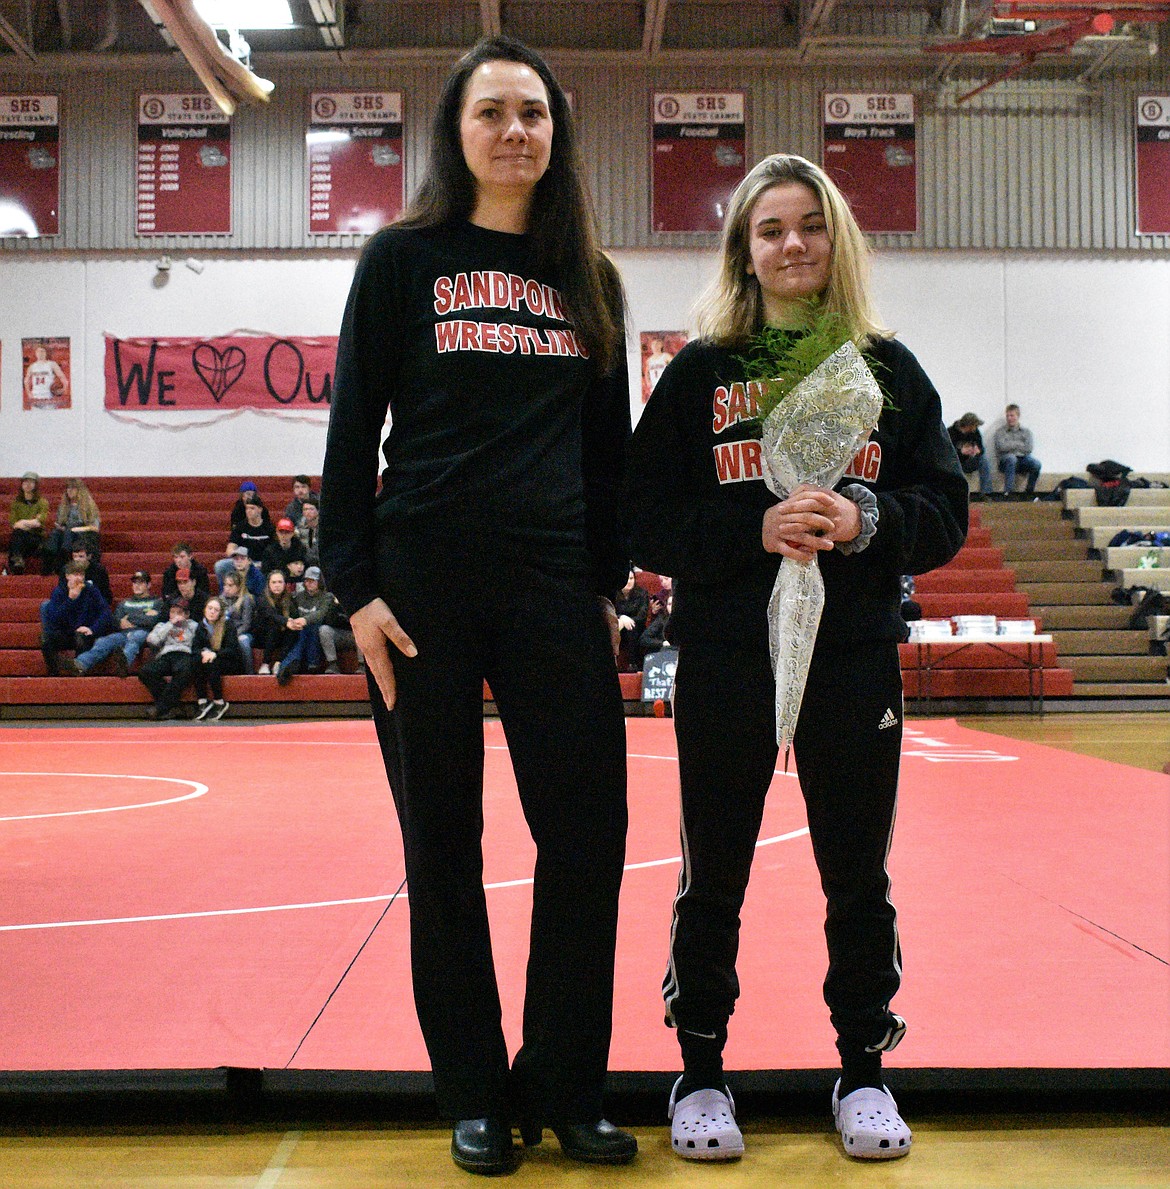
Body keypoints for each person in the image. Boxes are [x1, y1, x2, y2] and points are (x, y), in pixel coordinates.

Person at [319, 35, 634, 1176]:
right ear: (456, 132)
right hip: (421, 598)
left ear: (558, 135)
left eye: (534, 113)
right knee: (443, 841)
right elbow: (353, 435)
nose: (515, 130)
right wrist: (355, 591)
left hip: (554, 589)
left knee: (588, 835)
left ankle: (566, 1081)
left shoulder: (590, 278)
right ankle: (475, 1090)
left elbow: (610, 462)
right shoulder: (401, 261)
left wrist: (604, 585)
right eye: (492, 111)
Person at [624, 152, 968, 1164]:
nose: (791, 244)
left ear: (837, 240)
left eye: (809, 225)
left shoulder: (887, 373)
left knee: (856, 876)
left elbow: (946, 511)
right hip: (730, 655)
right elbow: (644, 518)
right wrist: (752, 532)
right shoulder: (702, 374)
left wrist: (866, 517)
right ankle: (699, 1069)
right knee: (712, 875)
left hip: (853, 654)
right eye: (770, 229)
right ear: (745, 250)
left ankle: (863, 1067)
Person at [74, 570, 165, 676]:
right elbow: (115, 621)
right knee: (103, 641)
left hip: (143, 632)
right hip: (123, 634)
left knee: (135, 637)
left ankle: (123, 664)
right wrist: (142, 617)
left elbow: (153, 621)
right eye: (135, 583)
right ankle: (79, 664)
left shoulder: (157, 602)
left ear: (149, 585)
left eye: (141, 583)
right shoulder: (124, 603)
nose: (137, 586)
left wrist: (129, 618)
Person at [39, 562, 117, 676]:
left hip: (83, 632)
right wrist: (71, 600)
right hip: (64, 633)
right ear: (67, 576)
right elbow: (53, 619)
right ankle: (53, 673)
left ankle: (78, 671)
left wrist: (92, 629)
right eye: (75, 574)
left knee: (82, 636)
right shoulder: (59, 592)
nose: (79, 578)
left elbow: (106, 612)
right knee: (46, 639)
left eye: (81, 575)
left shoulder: (91, 590)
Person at [138, 599, 198, 720]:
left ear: (186, 614)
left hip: (184, 653)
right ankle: (175, 706)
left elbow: (198, 641)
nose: (175, 615)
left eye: (179, 612)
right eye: (172, 612)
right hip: (166, 654)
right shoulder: (162, 625)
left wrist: (184, 624)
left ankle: (160, 709)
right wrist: (170, 625)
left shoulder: (193, 625)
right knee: (145, 671)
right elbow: (152, 640)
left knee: (184, 671)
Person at [191, 596, 244, 721]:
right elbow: (195, 648)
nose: (212, 612)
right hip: (210, 658)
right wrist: (203, 653)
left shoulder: (228, 625)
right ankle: (202, 701)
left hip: (230, 661)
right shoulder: (201, 625)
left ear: (220, 613)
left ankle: (219, 702)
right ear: (205, 609)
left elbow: (232, 649)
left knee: (211, 663)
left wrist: (214, 654)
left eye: (216, 609)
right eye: (210, 608)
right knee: (195, 661)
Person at [42, 478, 100, 571]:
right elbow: (61, 522)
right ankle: (48, 556)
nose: (69, 491)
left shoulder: (89, 506)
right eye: (68, 488)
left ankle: (64, 555)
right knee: (55, 533)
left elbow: (95, 527)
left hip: (83, 533)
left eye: (73, 488)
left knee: (70, 530)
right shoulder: (64, 506)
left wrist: (75, 529)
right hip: (66, 532)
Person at [253, 568, 297, 675]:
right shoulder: (262, 598)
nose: (277, 585)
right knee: (275, 625)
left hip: (281, 636)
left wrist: (295, 623)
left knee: (294, 630)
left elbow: (295, 616)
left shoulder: (289, 598)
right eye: (274, 582)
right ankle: (265, 663)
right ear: (268, 584)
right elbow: (270, 615)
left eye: (280, 582)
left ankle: (279, 662)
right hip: (262, 636)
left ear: (285, 584)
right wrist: (286, 621)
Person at [993, 403, 1041, 496]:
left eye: (1012, 415)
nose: (1009, 418)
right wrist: (1019, 444)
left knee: (1036, 464)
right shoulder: (1000, 432)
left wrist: (1010, 445)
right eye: (1007, 416)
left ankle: (1029, 492)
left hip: (1023, 459)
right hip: (1005, 461)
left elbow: (1028, 448)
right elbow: (1001, 447)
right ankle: (1008, 493)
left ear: (1018, 416)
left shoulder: (1026, 432)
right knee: (1011, 458)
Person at [7, 471, 49, 574]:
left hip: (36, 536)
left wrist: (22, 521)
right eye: (25, 482)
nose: (28, 485)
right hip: (22, 535)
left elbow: (39, 522)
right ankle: (17, 563)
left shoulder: (42, 502)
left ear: (36, 485)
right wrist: (30, 523)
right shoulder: (16, 503)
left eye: (31, 482)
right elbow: (13, 523)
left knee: (17, 536)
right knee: (18, 534)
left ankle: (15, 564)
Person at [947, 412, 992, 498]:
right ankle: (954, 495)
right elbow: (947, 452)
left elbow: (981, 449)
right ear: (968, 425)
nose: (976, 428)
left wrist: (977, 451)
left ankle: (986, 493)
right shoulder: (950, 432)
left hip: (970, 461)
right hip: (956, 463)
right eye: (975, 425)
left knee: (983, 459)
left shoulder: (975, 432)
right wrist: (960, 452)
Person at [220, 570, 257, 673]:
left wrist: (234, 635)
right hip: (226, 632)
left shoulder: (246, 600)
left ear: (239, 586)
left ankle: (249, 673)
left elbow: (246, 624)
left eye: (230, 585)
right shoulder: (221, 599)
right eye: (225, 585)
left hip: (243, 632)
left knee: (243, 641)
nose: (226, 588)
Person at [57, 542, 112, 607]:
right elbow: (61, 591)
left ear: (89, 556)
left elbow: (105, 594)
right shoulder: (66, 569)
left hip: (93, 603)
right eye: (74, 556)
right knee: (45, 605)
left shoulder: (99, 570)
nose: (77, 559)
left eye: (81, 556)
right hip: (71, 602)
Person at [24, 344, 68, 408]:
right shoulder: (32, 366)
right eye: (38, 351)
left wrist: (64, 388)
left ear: (46, 353)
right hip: (35, 396)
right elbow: (26, 380)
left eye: (42, 351)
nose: (40, 353)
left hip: (48, 396)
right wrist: (29, 393)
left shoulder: (52, 364)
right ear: (36, 353)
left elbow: (62, 377)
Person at [296, 498, 321, 567]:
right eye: (305, 509)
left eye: (311, 509)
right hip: (304, 563)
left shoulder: (324, 528)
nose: (308, 512)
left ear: (318, 511)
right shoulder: (298, 528)